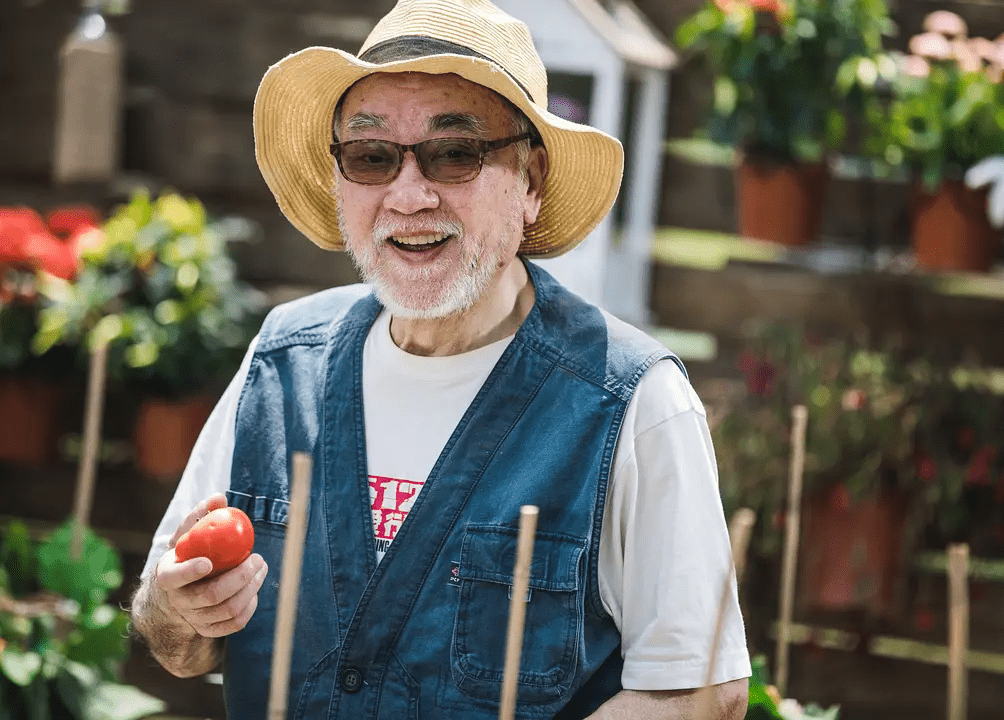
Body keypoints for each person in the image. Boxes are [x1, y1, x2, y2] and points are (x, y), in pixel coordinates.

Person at [130, 0, 751, 717]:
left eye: (454, 154)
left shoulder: (630, 401)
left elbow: (701, 689)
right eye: (370, 157)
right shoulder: (281, 361)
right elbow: (172, 640)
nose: (408, 194)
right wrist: (180, 611)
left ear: (530, 181)